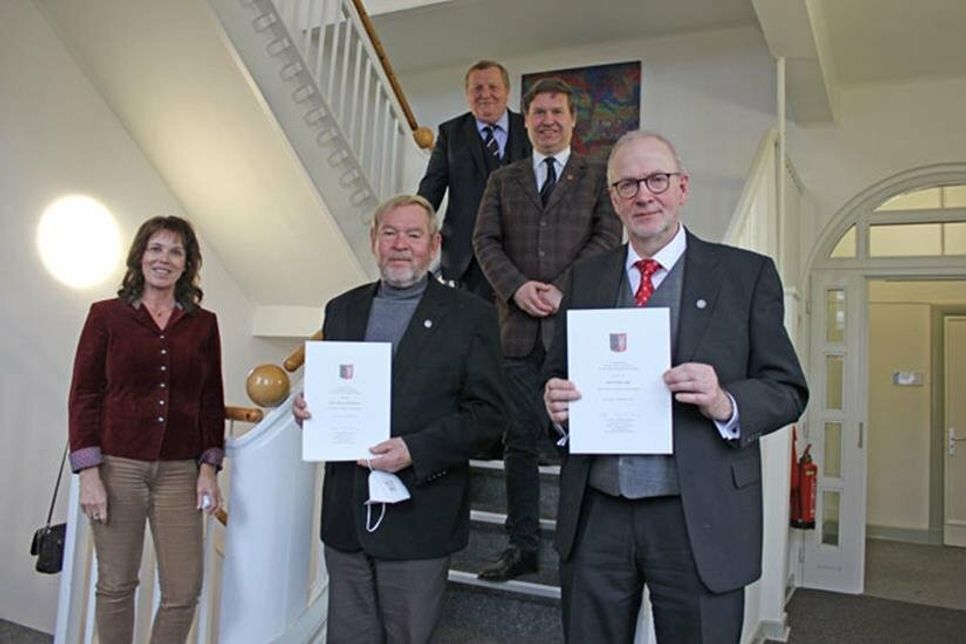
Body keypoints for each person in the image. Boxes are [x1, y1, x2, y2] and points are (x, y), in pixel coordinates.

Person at [543, 130, 809, 643]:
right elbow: (553, 377)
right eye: (627, 185)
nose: (644, 194)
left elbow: (787, 389)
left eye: (657, 180)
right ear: (614, 200)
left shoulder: (744, 275)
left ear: (682, 187)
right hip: (598, 511)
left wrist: (724, 400)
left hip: (697, 513)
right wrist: (554, 407)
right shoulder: (586, 278)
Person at [292, 195, 505, 643]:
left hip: (421, 517)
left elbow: (488, 418)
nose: (400, 245)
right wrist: (309, 410)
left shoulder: (472, 316)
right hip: (346, 518)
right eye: (389, 233)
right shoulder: (341, 309)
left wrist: (416, 449)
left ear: (434, 245)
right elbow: (333, 395)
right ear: (374, 241)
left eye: (413, 234)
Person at [472, 77, 622, 581]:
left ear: (573, 120)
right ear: (527, 120)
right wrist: (517, 288)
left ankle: (581, 551)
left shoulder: (598, 176)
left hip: (575, 331)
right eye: (538, 113)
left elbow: (607, 239)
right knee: (519, 441)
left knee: (580, 439)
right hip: (514, 330)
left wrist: (561, 290)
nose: (548, 121)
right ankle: (522, 546)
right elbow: (484, 241)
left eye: (557, 112)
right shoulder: (502, 178)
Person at [68, 215, 225, 643]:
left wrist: (209, 466)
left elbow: (211, 398)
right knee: (117, 584)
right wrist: (89, 473)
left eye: (176, 251)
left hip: (180, 471)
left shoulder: (203, 324)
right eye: (156, 248)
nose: (164, 259)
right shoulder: (106, 316)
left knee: (184, 589)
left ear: (187, 263)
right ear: (140, 255)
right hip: (118, 468)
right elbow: (84, 393)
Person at [417, 60, 531, 301]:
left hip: (524, 251)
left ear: (506, 91)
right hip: (467, 257)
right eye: (477, 89)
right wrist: (414, 225)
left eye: (493, 87)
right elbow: (431, 187)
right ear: (467, 94)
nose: (485, 94)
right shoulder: (450, 133)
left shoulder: (530, 129)